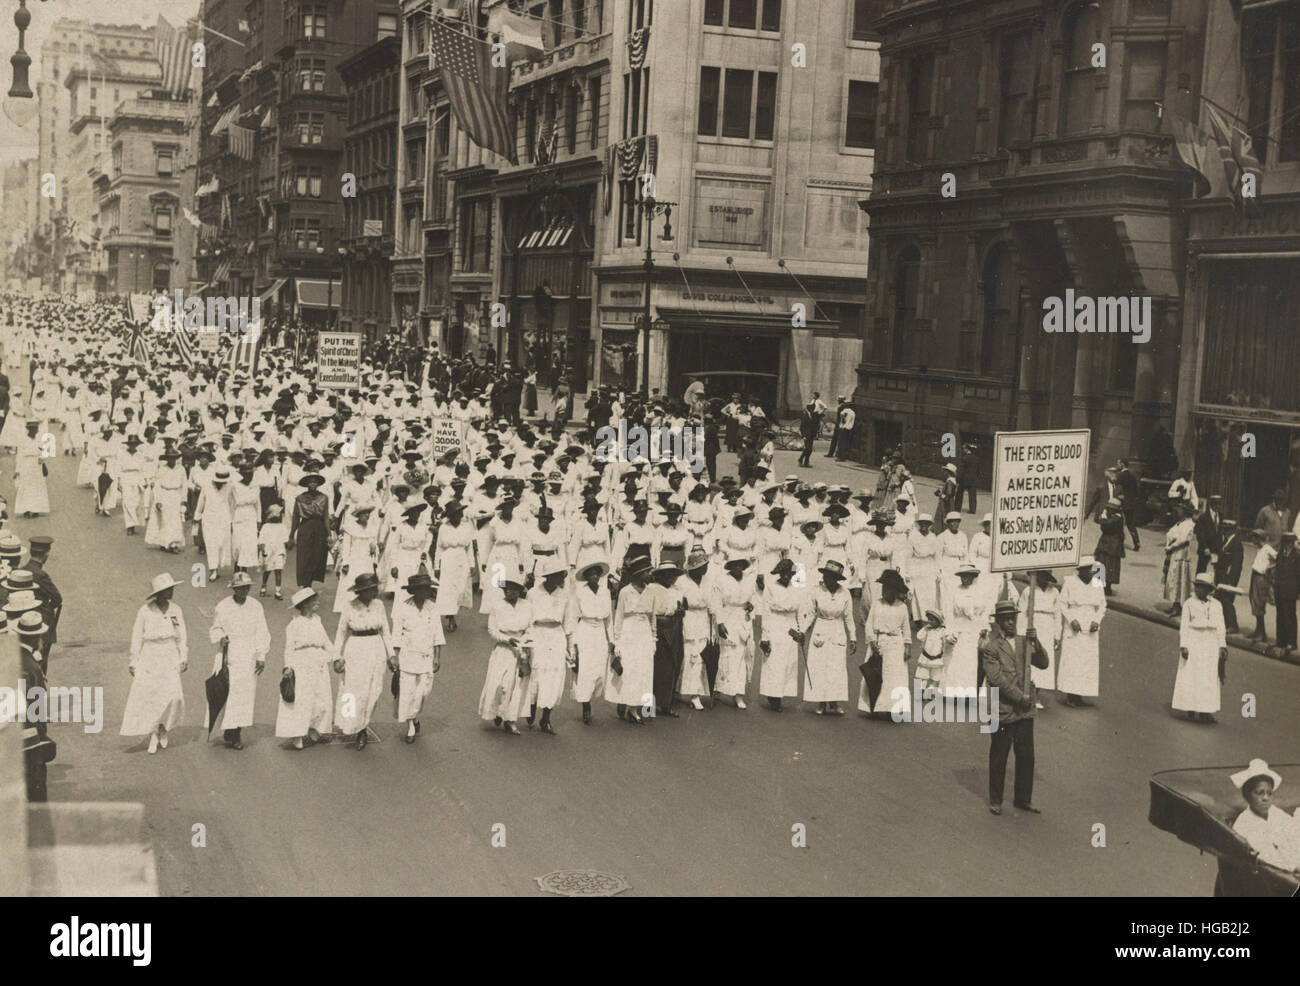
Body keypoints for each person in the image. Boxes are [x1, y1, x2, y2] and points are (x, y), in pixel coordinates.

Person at [982, 599, 1049, 816]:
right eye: (1006, 619)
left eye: (1013, 618)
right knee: (999, 755)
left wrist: (1035, 642)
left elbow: (1043, 663)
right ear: (999, 622)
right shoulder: (991, 648)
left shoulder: (1023, 642)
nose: (1011, 622)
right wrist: (1020, 697)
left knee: (1026, 755)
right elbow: (996, 679)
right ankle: (995, 800)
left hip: (1024, 710)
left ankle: (1023, 799)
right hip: (1003, 708)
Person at [121, 574, 188, 755]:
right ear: (159, 593)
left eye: (172, 588)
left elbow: (182, 635)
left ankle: (164, 727)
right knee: (152, 697)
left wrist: (183, 657)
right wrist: (134, 660)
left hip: (170, 653)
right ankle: (153, 733)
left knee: (174, 696)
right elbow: (136, 637)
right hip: (150, 655)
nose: (171, 592)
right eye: (168, 590)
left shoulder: (176, 610)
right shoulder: (145, 611)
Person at [206, 571, 270, 750]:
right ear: (234, 589)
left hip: (248, 656)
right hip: (229, 655)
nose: (244, 591)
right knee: (229, 693)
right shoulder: (223, 606)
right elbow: (215, 628)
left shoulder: (256, 606)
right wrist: (221, 637)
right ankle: (229, 729)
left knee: (245, 696)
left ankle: (236, 731)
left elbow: (262, 632)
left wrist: (261, 655)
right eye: (240, 588)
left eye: (247, 588)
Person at [333, 572, 392, 750]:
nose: (374, 592)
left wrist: (392, 655)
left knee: (374, 691)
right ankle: (357, 729)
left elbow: (386, 632)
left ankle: (364, 724)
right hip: (355, 650)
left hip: (376, 649)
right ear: (361, 591)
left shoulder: (379, 605)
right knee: (353, 690)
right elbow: (341, 633)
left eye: (374, 588)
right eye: (370, 589)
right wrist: (337, 657)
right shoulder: (349, 606)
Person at [274, 587, 335, 749]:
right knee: (302, 699)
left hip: (319, 662)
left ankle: (316, 729)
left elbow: (326, 642)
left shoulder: (317, 620)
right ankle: (297, 733)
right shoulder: (294, 625)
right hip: (301, 664)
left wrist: (337, 657)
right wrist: (288, 666)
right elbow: (289, 648)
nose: (318, 602)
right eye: (314, 600)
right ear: (304, 604)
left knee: (321, 697)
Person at [390, 572, 445, 743]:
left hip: (426, 657)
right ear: (415, 591)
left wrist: (437, 657)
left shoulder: (433, 607)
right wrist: (395, 657)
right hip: (408, 656)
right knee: (407, 692)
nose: (427, 592)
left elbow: (438, 633)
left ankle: (414, 717)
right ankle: (410, 726)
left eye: (428, 589)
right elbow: (396, 634)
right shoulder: (402, 607)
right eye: (423, 589)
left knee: (422, 692)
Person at [479, 575, 533, 734]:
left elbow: (531, 627)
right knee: (499, 684)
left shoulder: (527, 606)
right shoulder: (497, 606)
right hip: (503, 649)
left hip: (521, 649)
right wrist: (507, 639)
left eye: (514, 589)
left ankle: (510, 720)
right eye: (508, 589)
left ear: (519, 591)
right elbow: (492, 630)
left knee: (515, 686)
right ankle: (497, 712)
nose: (511, 592)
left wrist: (524, 640)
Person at [1173, 573, 1227, 724]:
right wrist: (1184, 645)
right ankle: (1191, 707)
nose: (1198, 590)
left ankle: (1205, 711)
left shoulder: (1217, 605)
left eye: (1202, 587)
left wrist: (1222, 645)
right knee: (1192, 675)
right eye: (1197, 586)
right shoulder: (1189, 603)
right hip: (1194, 641)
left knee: (1208, 677)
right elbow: (1184, 626)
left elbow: (1221, 626)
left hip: (1210, 643)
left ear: (1209, 589)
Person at [757, 557, 811, 711]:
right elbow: (766, 612)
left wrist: (801, 631)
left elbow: (801, 611)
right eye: (783, 573)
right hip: (775, 624)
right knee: (774, 661)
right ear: (779, 573)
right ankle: (773, 696)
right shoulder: (770, 587)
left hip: (790, 626)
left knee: (788, 662)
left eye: (789, 572)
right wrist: (765, 636)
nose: (786, 575)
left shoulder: (798, 588)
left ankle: (780, 693)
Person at [1229, 760, 1300, 873]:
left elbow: (1295, 835)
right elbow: (1265, 857)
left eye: (1269, 793)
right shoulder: (1243, 825)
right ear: (1248, 796)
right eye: (1259, 793)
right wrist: (1293, 867)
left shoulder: (1276, 813)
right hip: (1267, 876)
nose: (1266, 798)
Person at [804, 559, 853, 715]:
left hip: (838, 630)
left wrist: (853, 638)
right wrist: (803, 631)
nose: (827, 579)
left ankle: (835, 702)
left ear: (837, 579)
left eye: (831, 576)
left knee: (836, 668)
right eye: (826, 575)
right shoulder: (816, 591)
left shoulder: (845, 593)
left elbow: (849, 617)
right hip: (821, 628)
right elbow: (810, 614)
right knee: (819, 667)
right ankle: (821, 702)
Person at [862, 568, 912, 718]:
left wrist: (908, 646)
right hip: (878, 642)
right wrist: (872, 641)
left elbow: (906, 629)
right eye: (883, 587)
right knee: (876, 674)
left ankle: (893, 708)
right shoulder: (877, 604)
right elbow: (869, 624)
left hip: (896, 644)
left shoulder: (902, 607)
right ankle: (874, 707)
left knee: (894, 677)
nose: (884, 591)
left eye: (888, 588)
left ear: (895, 591)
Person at [568, 561, 613, 724]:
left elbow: (609, 619)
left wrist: (611, 639)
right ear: (586, 577)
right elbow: (573, 618)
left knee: (600, 670)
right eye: (591, 574)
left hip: (600, 630)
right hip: (585, 629)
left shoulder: (606, 592)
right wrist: (572, 643)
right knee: (585, 669)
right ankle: (585, 706)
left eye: (597, 574)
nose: (595, 577)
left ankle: (591, 697)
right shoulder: (579, 593)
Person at [712, 557, 756, 710]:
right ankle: (717, 688)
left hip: (743, 619)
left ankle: (738, 694)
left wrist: (751, 605)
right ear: (730, 567)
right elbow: (717, 602)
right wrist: (720, 622)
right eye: (734, 565)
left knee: (742, 657)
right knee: (726, 655)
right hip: (728, 617)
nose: (738, 568)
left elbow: (754, 598)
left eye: (740, 565)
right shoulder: (721, 580)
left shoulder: (749, 580)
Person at [1162, 502, 1195, 617]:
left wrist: (1170, 546)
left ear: (1185, 512)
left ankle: (1178, 606)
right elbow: (1170, 534)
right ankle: (1175, 604)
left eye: (1180, 510)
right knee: (1172, 579)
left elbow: (1183, 539)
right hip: (1174, 555)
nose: (1178, 512)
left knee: (1178, 580)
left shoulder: (1189, 524)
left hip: (1181, 556)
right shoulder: (1179, 523)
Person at [14, 420, 50, 517]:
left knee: (36, 487)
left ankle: (35, 509)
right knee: (25, 486)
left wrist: (43, 463)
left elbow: (44, 452)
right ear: (28, 429)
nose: (35, 430)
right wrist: (17, 470)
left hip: (37, 465)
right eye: (33, 428)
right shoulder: (23, 440)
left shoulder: (39, 440)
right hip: (26, 465)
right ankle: (25, 509)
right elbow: (19, 456)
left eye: (36, 428)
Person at [1273, 532, 1300, 657]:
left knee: (1289, 616)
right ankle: (1281, 640)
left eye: (1290, 543)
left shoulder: (1297, 557)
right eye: (1286, 542)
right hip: (1279, 589)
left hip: (1290, 590)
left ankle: (1291, 642)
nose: (1287, 545)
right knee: (1280, 615)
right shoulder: (1280, 555)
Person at [1248, 528, 1277, 643]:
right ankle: (1258, 630)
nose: (1253, 540)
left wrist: (1269, 570)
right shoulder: (1260, 549)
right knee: (1254, 602)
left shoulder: (1267, 549)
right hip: (1255, 576)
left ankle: (1262, 633)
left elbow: (1276, 559)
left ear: (1259, 538)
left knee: (1259, 603)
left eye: (1254, 537)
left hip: (1261, 578)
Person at [1214, 519, 1243, 633]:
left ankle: (1233, 625)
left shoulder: (1236, 544)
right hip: (1220, 575)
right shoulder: (1225, 541)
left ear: (1233, 530)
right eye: (1223, 529)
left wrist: (1231, 580)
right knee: (1219, 599)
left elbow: (1237, 565)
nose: (1224, 531)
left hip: (1228, 577)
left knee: (1226, 600)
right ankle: (1223, 623)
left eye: (1227, 529)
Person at [1093, 498, 1125, 595]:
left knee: (1108, 564)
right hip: (1107, 543)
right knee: (1102, 563)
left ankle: (1106, 587)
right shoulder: (1114, 517)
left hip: (1112, 544)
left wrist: (1103, 517)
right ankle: (1100, 585)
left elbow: (1105, 526)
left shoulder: (1117, 518)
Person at [915, 609, 950, 693]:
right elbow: (919, 636)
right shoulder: (927, 630)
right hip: (926, 656)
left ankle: (930, 692)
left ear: (938, 621)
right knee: (924, 675)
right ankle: (921, 690)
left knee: (935, 676)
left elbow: (946, 641)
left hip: (937, 657)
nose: (929, 622)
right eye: (928, 619)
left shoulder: (942, 631)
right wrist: (925, 628)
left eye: (932, 620)